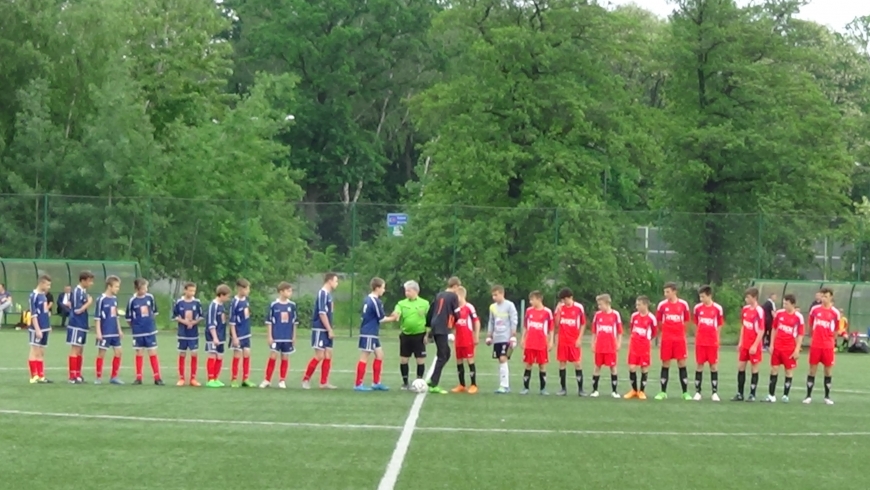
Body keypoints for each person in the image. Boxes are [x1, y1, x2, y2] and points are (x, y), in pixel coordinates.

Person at [354, 277, 397, 391]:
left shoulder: (367, 298)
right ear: (377, 288)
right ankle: (358, 384)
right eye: (383, 287)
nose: (384, 290)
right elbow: (381, 319)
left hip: (371, 332)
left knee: (380, 355)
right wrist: (393, 318)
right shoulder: (375, 301)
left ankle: (376, 382)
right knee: (365, 356)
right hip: (369, 332)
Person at [302, 273, 340, 390]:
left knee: (328, 354)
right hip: (320, 329)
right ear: (329, 281)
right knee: (319, 356)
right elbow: (322, 313)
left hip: (327, 329)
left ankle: (324, 382)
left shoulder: (329, 295)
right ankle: (305, 379)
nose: (337, 283)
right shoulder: (322, 293)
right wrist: (329, 329)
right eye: (336, 281)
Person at [655, 282, 691, 400]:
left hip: (679, 339)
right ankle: (663, 392)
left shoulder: (683, 305)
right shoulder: (662, 305)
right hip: (667, 339)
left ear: (674, 291)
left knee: (681, 363)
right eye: (664, 292)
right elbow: (659, 322)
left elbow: (686, 321)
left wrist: (681, 333)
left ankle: (685, 392)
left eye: (668, 292)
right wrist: (664, 334)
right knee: (665, 363)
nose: (665, 294)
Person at [425, 277, 462, 394]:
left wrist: (429, 327)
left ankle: (433, 380)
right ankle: (433, 383)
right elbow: (456, 312)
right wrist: (459, 319)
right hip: (442, 327)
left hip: (435, 325)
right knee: (443, 355)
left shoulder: (439, 294)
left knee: (445, 353)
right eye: (458, 288)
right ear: (455, 286)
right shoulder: (453, 296)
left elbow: (431, 311)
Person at [805, 287, 839, 405]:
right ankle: (808, 395)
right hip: (816, 345)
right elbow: (810, 325)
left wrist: (831, 341)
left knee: (828, 371)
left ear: (831, 297)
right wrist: (812, 337)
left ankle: (827, 396)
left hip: (828, 346)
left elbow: (836, 331)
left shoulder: (835, 313)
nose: (823, 298)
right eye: (822, 296)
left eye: (826, 296)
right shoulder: (814, 310)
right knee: (812, 370)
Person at [767, 294, 804, 403]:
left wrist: (797, 349)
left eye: (786, 303)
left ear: (792, 304)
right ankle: (771, 395)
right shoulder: (779, 313)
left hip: (789, 348)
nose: (784, 305)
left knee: (788, 371)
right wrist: (771, 344)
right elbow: (774, 329)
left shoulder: (798, 317)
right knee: (774, 369)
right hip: (777, 347)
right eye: (783, 303)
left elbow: (800, 334)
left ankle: (785, 395)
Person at [260, 282, 298, 389]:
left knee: (285, 357)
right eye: (288, 290)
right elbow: (269, 322)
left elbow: (295, 322)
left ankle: (282, 380)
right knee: (273, 356)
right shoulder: (274, 305)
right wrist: (269, 336)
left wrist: (294, 336)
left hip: (287, 336)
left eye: (291, 291)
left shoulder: (292, 305)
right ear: (281, 292)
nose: (290, 293)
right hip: (276, 336)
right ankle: (267, 379)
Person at [126, 278, 163, 385]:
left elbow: (154, 312)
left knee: (153, 352)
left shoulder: (150, 298)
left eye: (146, 287)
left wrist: (149, 324)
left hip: (150, 331)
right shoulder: (132, 300)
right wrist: (136, 327)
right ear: (138, 289)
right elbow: (128, 319)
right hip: (138, 332)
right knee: (139, 353)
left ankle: (157, 378)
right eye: (143, 288)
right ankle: (138, 378)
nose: (146, 290)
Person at [394, 281, 429, 390]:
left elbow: (429, 320)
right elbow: (397, 312)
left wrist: (427, 335)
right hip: (406, 335)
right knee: (404, 359)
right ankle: (405, 383)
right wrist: (395, 315)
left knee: (420, 359)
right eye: (405, 291)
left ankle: (419, 381)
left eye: (408, 290)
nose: (406, 293)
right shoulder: (401, 303)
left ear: (415, 291)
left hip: (420, 335)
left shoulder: (425, 303)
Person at [732, 287, 764, 401]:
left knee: (754, 368)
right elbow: (743, 326)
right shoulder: (745, 309)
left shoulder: (759, 311)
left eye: (748, 297)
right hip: (745, 344)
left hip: (753, 344)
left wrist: (755, 345)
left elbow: (761, 329)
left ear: (754, 298)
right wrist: (740, 342)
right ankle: (740, 393)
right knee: (741, 367)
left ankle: (752, 394)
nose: (746, 299)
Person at [692, 285, 724, 401]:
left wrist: (717, 339)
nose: (701, 299)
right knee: (699, 365)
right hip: (701, 342)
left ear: (709, 296)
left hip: (712, 342)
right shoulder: (697, 308)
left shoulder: (717, 309)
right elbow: (696, 323)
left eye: (703, 297)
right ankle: (697, 392)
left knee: (713, 366)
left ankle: (714, 392)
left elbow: (719, 325)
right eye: (700, 297)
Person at [554, 288, 586, 396]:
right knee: (562, 363)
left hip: (574, 341)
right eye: (562, 300)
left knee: (577, 363)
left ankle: (581, 389)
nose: (564, 302)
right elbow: (557, 324)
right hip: (563, 341)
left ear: (571, 298)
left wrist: (579, 338)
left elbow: (583, 324)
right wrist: (558, 311)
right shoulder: (560, 308)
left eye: (565, 299)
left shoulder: (578, 308)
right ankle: (563, 389)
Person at [486, 285, 518, 394]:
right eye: (493, 295)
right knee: (500, 360)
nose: (494, 297)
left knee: (503, 358)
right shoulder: (492, 307)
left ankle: (504, 385)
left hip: (506, 337)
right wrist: (489, 335)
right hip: (497, 337)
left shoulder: (509, 305)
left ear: (502, 294)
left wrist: (513, 334)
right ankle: (504, 384)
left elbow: (514, 319)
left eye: (496, 295)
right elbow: (491, 321)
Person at [521, 290, 554, 395]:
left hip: (541, 343)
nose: (530, 302)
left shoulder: (547, 312)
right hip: (530, 342)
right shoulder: (529, 311)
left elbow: (551, 329)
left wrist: (551, 341)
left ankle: (543, 389)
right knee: (528, 364)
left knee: (542, 365)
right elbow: (526, 326)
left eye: (532, 299)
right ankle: (526, 388)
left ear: (539, 299)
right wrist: (523, 338)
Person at [590, 294, 622, 399]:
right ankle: (595, 390)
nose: (599, 307)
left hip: (610, 346)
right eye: (598, 304)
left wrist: (619, 343)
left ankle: (614, 391)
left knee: (613, 367)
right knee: (597, 367)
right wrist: (593, 343)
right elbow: (594, 331)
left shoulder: (615, 315)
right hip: (600, 345)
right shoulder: (598, 315)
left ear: (607, 303)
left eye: (600, 304)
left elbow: (619, 331)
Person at [94, 276, 124, 384]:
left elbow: (116, 316)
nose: (118, 289)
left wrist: (119, 329)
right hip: (105, 331)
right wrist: (98, 332)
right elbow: (97, 317)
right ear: (109, 286)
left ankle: (114, 377)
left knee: (119, 352)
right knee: (101, 353)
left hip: (114, 331)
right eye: (116, 286)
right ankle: (98, 377)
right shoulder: (101, 299)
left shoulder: (114, 299)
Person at [450, 286, 480, 394]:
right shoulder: (455, 308)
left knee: (470, 360)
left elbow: (476, 321)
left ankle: (473, 384)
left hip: (468, 339)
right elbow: (453, 324)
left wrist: (475, 336)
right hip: (458, 340)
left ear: (461, 295)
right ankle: (461, 384)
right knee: (459, 361)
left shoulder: (469, 307)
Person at [625, 296, 656, 399]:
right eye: (636, 304)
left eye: (639, 304)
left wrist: (645, 340)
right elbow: (631, 328)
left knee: (644, 368)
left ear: (645, 305)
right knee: (632, 367)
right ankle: (634, 390)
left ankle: (641, 391)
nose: (637, 306)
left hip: (644, 346)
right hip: (634, 346)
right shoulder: (634, 316)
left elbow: (654, 333)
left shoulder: (651, 318)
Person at [67, 270, 95, 384]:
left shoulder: (83, 292)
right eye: (89, 281)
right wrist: (89, 303)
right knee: (75, 349)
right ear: (83, 280)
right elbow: (77, 310)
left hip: (83, 324)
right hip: (76, 324)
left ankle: (78, 374)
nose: (91, 283)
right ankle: (72, 376)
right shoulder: (77, 291)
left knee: (80, 350)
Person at [174, 282, 204, 387]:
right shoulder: (179, 302)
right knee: (182, 354)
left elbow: (201, 316)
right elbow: (175, 316)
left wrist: (194, 322)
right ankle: (181, 378)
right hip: (182, 333)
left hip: (193, 333)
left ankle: (193, 378)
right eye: (190, 290)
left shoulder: (197, 302)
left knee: (194, 353)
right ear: (185, 290)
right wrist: (184, 322)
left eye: (194, 291)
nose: (192, 293)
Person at [205, 284, 232, 388]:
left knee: (220, 356)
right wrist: (214, 337)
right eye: (227, 296)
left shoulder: (221, 305)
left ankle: (216, 378)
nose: (228, 298)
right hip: (213, 336)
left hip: (221, 335)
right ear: (221, 295)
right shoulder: (214, 305)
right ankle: (210, 379)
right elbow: (211, 323)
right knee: (212, 355)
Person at [28, 275, 53, 383]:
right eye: (47, 284)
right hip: (36, 328)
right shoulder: (33, 296)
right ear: (41, 283)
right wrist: (37, 329)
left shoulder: (44, 295)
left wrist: (48, 325)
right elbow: (33, 314)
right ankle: (34, 376)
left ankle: (41, 375)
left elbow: (45, 311)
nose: (49, 287)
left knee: (41, 352)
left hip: (44, 328)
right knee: (34, 351)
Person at [229, 279, 253, 387]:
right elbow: (232, 321)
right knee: (237, 354)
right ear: (240, 289)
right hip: (238, 333)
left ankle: (245, 379)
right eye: (247, 288)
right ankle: (234, 379)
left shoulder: (246, 300)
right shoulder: (235, 302)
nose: (249, 291)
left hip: (246, 332)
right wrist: (234, 336)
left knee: (247, 353)